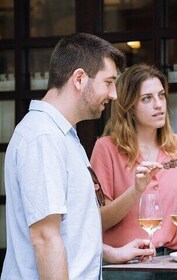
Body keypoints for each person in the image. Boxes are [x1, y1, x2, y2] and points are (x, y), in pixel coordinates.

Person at [1, 33, 154, 280]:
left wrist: (111, 253)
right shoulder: (43, 137)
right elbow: (45, 238)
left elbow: (66, 231)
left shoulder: (64, 136)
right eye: (109, 82)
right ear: (79, 78)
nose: (114, 94)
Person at [89, 63, 177, 278]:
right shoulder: (106, 148)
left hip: (176, 263)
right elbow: (99, 220)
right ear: (129, 107)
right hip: (127, 268)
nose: (158, 105)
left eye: (161, 96)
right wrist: (135, 191)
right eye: (147, 99)